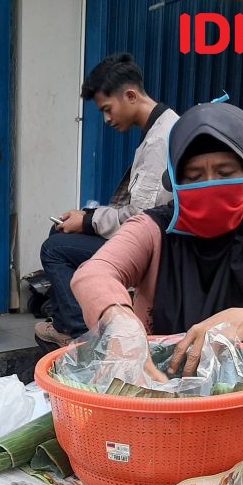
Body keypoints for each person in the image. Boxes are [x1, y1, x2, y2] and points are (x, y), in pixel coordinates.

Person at [71, 101, 243, 381]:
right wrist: (118, 321)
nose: (210, 184)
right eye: (193, 177)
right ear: (175, 181)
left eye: (225, 174)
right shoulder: (152, 229)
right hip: (155, 386)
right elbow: (94, 273)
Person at [37, 53, 178, 348]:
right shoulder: (158, 129)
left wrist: (89, 220)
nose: (107, 119)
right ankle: (66, 323)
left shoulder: (159, 142)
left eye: (107, 109)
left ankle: (83, 337)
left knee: (54, 249)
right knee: (61, 231)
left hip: (155, 248)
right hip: (150, 236)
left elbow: (142, 218)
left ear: (130, 95)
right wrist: (86, 217)